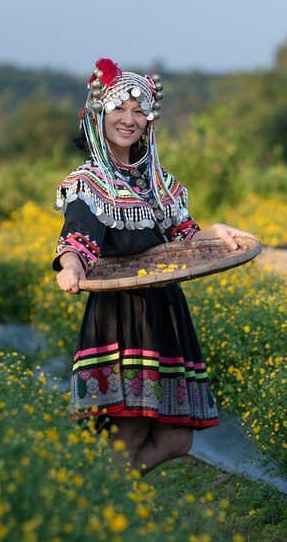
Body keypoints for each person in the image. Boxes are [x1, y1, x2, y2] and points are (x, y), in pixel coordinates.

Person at [53, 58, 256, 474]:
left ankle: (102, 500)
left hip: (164, 312)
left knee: (176, 438)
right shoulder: (89, 182)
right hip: (121, 314)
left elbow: (184, 234)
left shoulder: (155, 181)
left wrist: (214, 231)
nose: (129, 119)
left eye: (138, 110)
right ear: (99, 114)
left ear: (148, 119)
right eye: (119, 109)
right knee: (129, 431)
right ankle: (106, 513)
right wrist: (70, 266)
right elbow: (77, 238)